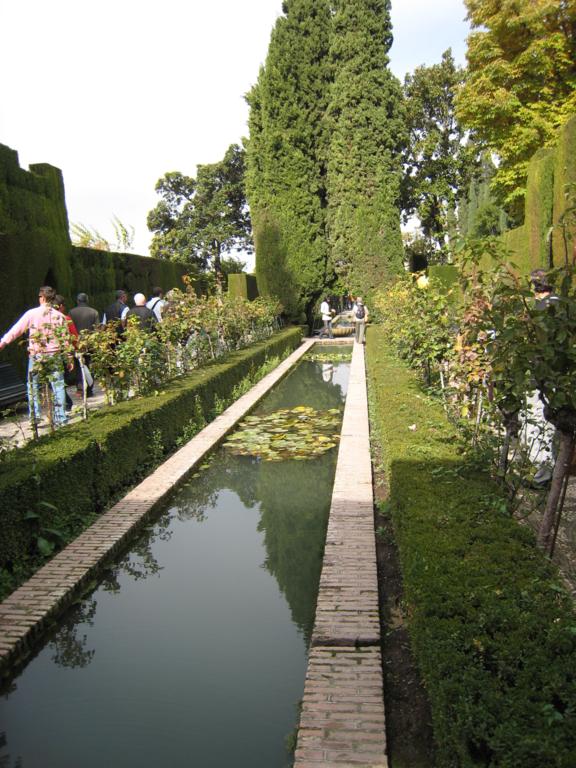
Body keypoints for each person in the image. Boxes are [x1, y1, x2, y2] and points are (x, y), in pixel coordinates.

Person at [0, 286, 71, 427]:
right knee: (58, 386)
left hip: (37, 356)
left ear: (42, 298)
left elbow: (16, 330)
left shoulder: (31, 314)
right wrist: (68, 357)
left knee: (33, 387)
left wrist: (3, 342)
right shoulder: (60, 316)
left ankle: (35, 418)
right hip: (55, 355)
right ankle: (61, 418)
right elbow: (65, 339)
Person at [523, 269, 560, 487]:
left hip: (541, 376)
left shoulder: (537, 310)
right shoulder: (565, 305)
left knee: (538, 421)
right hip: (562, 377)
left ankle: (543, 475)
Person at [69, 293, 99, 397]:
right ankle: (89, 389)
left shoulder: (71, 312)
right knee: (89, 365)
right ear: (87, 300)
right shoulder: (94, 312)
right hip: (90, 344)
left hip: (76, 343)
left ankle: (80, 388)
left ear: (77, 301)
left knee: (78, 366)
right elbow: (96, 330)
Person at [54, 294, 79, 410]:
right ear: (61, 306)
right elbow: (74, 336)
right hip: (63, 353)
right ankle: (66, 403)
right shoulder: (65, 319)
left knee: (56, 381)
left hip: (49, 354)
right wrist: (77, 349)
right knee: (60, 380)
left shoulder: (48, 319)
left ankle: (64, 403)